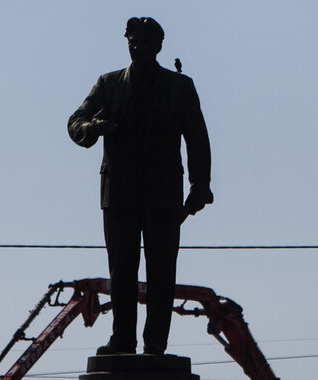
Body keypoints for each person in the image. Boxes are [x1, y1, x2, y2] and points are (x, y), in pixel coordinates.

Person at [68, 17, 213, 355]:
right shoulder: (109, 84)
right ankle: (123, 339)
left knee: (162, 272)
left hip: (163, 195)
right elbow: (76, 122)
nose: (137, 47)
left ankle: (155, 346)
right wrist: (94, 127)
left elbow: (197, 138)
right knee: (122, 271)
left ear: (157, 46)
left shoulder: (179, 86)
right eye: (133, 41)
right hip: (118, 194)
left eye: (145, 42)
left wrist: (200, 184)